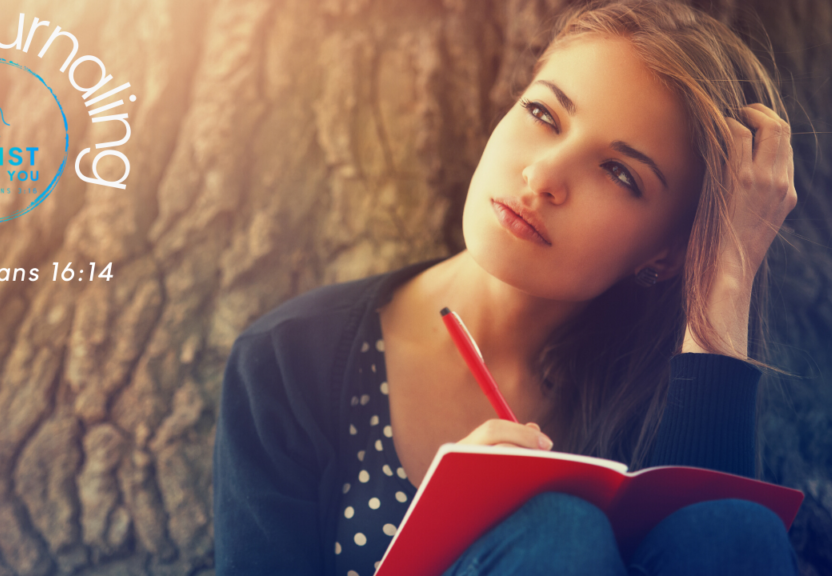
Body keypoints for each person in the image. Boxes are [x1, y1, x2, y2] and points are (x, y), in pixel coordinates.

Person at [213, 1, 801, 574]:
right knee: (560, 535)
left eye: (620, 173)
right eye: (544, 115)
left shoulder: (671, 389)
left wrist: (725, 276)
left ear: (667, 252)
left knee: (737, 528)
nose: (543, 176)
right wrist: (450, 534)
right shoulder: (291, 359)